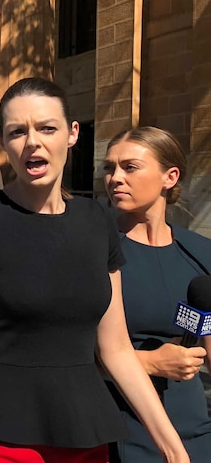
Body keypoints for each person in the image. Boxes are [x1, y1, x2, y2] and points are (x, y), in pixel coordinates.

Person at [0, 78, 189, 462]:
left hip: (85, 436)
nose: (32, 142)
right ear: (3, 141)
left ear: (72, 134)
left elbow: (116, 350)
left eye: (47, 128)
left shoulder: (98, 221)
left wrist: (173, 447)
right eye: (17, 132)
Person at [103, 126, 211, 462]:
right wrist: (149, 362)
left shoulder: (200, 252)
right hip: (118, 429)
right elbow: (66, 351)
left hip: (195, 427)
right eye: (109, 168)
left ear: (170, 177)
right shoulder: (95, 249)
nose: (115, 178)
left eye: (130, 167)